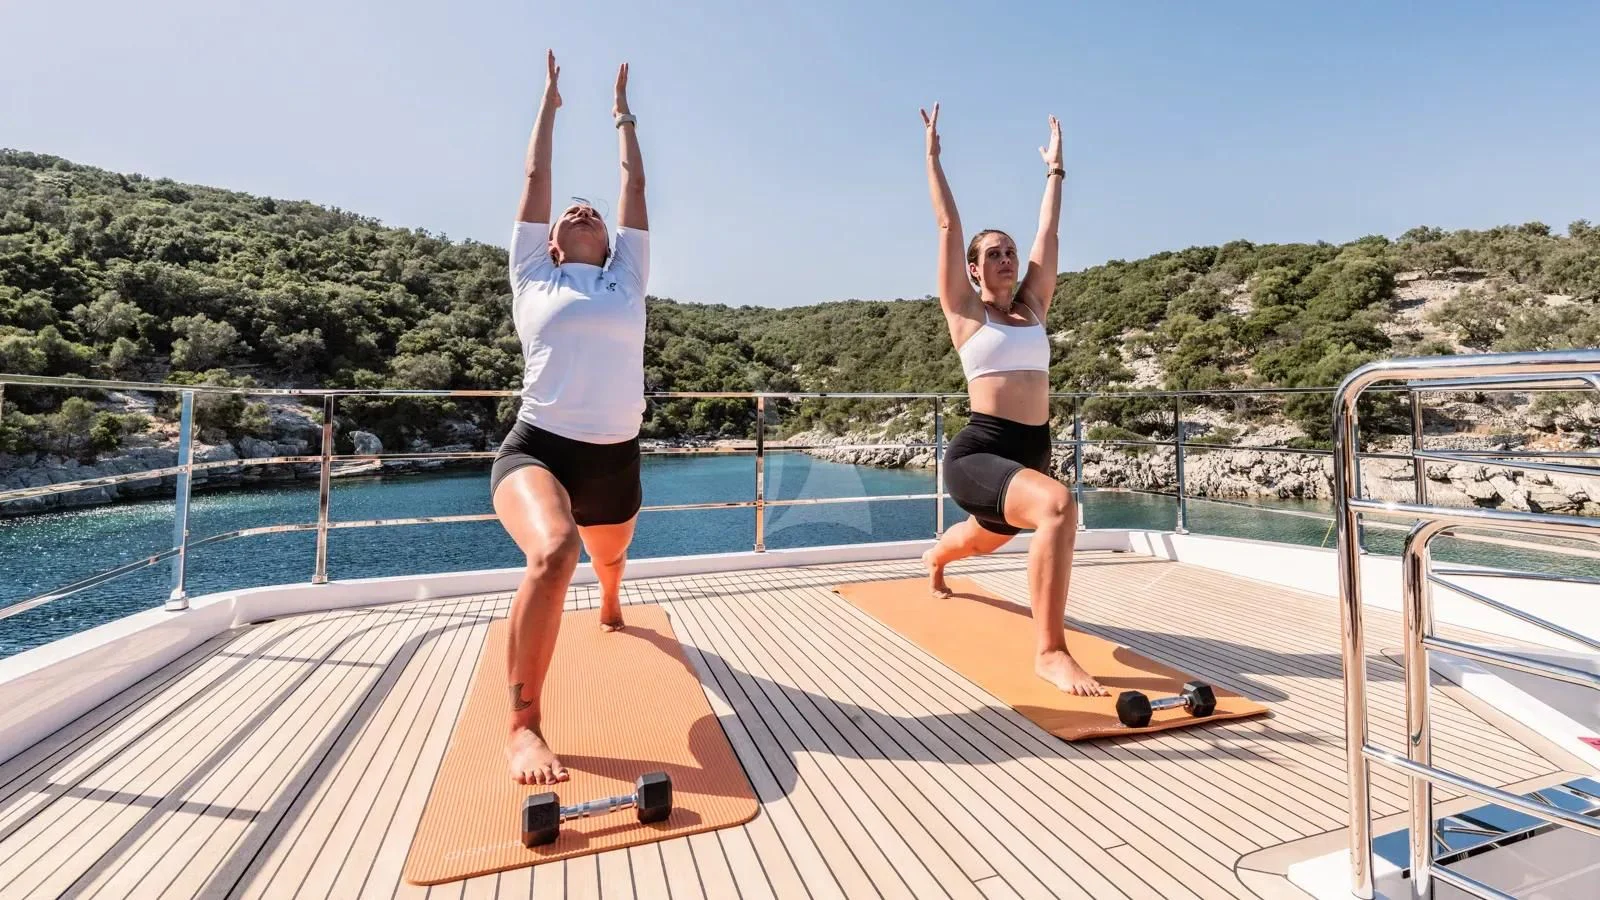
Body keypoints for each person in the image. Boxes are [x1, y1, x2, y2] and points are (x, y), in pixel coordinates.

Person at [493, 51, 651, 784]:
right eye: (570, 214)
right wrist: (550, 104)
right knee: (555, 552)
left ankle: (612, 596)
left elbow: (636, 185)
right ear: (552, 244)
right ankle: (524, 727)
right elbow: (534, 182)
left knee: (609, 560)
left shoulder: (628, 279)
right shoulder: (533, 276)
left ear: (612, 244)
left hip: (615, 457)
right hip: (539, 449)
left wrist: (623, 114)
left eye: (594, 213)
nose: (582, 209)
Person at [916, 102, 1106, 697]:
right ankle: (1050, 652)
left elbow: (1050, 234)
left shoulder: (1034, 308)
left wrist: (1055, 171)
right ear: (973, 272)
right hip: (982, 451)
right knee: (1056, 507)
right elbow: (948, 228)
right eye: (993, 253)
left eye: (1008, 251)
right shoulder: (967, 315)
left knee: (979, 538)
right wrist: (932, 159)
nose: (1005, 257)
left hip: (1032, 451)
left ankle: (934, 561)